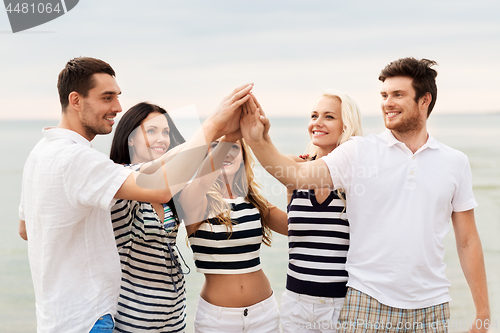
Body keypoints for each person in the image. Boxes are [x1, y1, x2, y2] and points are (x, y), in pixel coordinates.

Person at [239, 58, 490, 333]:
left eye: (398, 95)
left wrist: (482, 310)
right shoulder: (359, 151)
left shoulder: (455, 162)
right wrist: (257, 140)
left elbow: (467, 241)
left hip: (431, 305)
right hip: (365, 300)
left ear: (424, 100)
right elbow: (297, 176)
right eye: (384, 95)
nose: (387, 103)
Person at [18, 56, 253, 333]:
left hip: (68, 315)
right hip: (89, 318)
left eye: (117, 97)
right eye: (107, 98)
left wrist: (221, 137)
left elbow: (26, 229)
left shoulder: (42, 153)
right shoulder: (76, 159)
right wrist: (212, 124)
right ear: (76, 100)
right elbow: (161, 188)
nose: (117, 107)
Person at [178, 134, 287, 333]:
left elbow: (295, 227)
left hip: (264, 313)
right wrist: (230, 131)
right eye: (216, 147)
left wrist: (299, 178)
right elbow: (202, 183)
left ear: (244, 156)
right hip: (217, 320)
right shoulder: (193, 197)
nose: (226, 152)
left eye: (234, 147)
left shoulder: (254, 201)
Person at [280, 90, 362, 333]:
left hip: (342, 304)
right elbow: (291, 227)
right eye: (314, 115)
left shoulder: (355, 177)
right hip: (295, 302)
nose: (317, 122)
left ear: (346, 125)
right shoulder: (295, 174)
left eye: (328, 117)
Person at [109, 102, 187, 332]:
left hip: (173, 315)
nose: (162, 138)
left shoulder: (167, 190)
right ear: (130, 137)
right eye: (151, 131)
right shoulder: (118, 179)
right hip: (132, 319)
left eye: (166, 132)